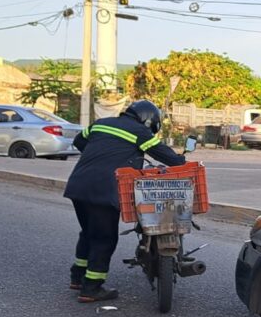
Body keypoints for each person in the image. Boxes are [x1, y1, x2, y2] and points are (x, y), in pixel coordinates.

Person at [64, 100, 185, 303]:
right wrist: (182, 161)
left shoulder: (101, 123)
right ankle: (92, 287)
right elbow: (164, 155)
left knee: (89, 233)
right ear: (149, 120)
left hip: (78, 186)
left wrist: (102, 153)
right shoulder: (139, 132)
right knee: (104, 238)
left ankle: (77, 277)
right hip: (104, 189)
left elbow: (79, 141)